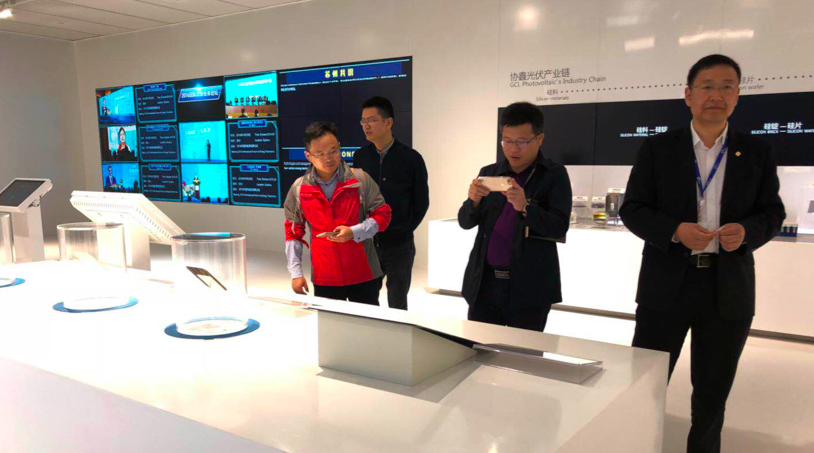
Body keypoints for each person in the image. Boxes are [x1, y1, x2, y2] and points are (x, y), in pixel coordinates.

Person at [619, 54, 785, 453]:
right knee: (646, 383)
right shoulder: (658, 149)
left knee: (713, 392)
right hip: (666, 285)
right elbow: (633, 208)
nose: (717, 95)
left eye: (727, 87)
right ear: (688, 95)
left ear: (738, 96)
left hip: (727, 289)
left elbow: (772, 212)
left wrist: (747, 232)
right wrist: (674, 231)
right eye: (707, 86)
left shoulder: (757, 151)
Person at [458, 101, 571, 332]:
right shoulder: (490, 172)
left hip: (529, 286)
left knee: (523, 351)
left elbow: (559, 227)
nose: (513, 149)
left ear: (539, 139)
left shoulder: (554, 175)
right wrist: (474, 201)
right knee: (480, 347)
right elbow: (465, 222)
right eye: (507, 141)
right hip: (485, 283)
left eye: (521, 141)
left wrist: (525, 207)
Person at [284, 122, 392, 305]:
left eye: (333, 151)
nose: (328, 158)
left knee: (365, 322)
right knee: (330, 322)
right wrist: (296, 273)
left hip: (363, 273)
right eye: (320, 154)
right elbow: (293, 233)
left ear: (339, 148)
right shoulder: (299, 189)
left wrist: (355, 232)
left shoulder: (360, 179)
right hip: (325, 276)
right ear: (308, 156)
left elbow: (383, 215)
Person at [352, 96, 429, 310]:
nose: (366, 125)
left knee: (397, 301)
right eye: (363, 121)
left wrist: (403, 229)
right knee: (367, 298)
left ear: (388, 123)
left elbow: (421, 202)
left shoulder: (411, 158)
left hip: (399, 244)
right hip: (368, 241)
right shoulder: (360, 156)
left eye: (372, 120)